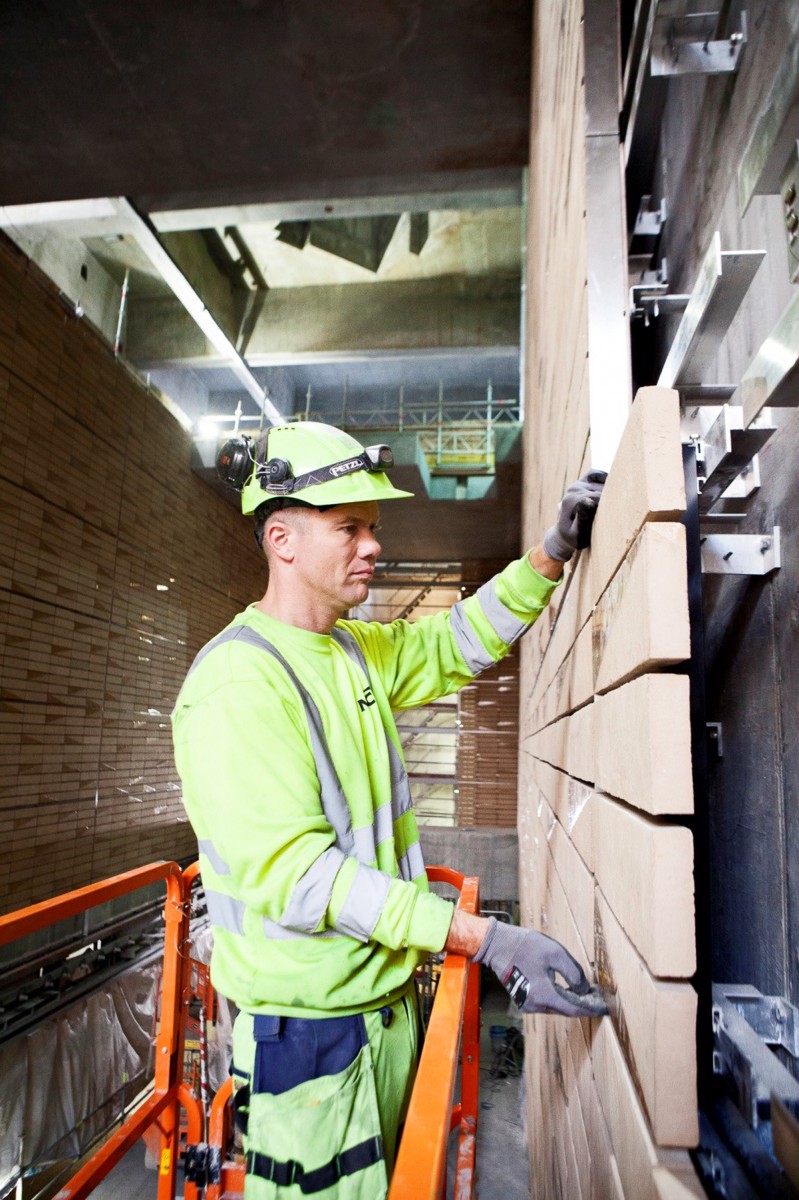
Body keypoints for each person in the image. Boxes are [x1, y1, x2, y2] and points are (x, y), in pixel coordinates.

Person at [171, 421, 607, 1198]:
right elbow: (304, 881)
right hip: (312, 1044)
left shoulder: (350, 650)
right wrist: (484, 938)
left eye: (371, 527)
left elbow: (454, 642)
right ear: (282, 540)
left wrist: (551, 553)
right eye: (350, 528)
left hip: (386, 1012)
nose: (372, 545)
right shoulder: (239, 686)